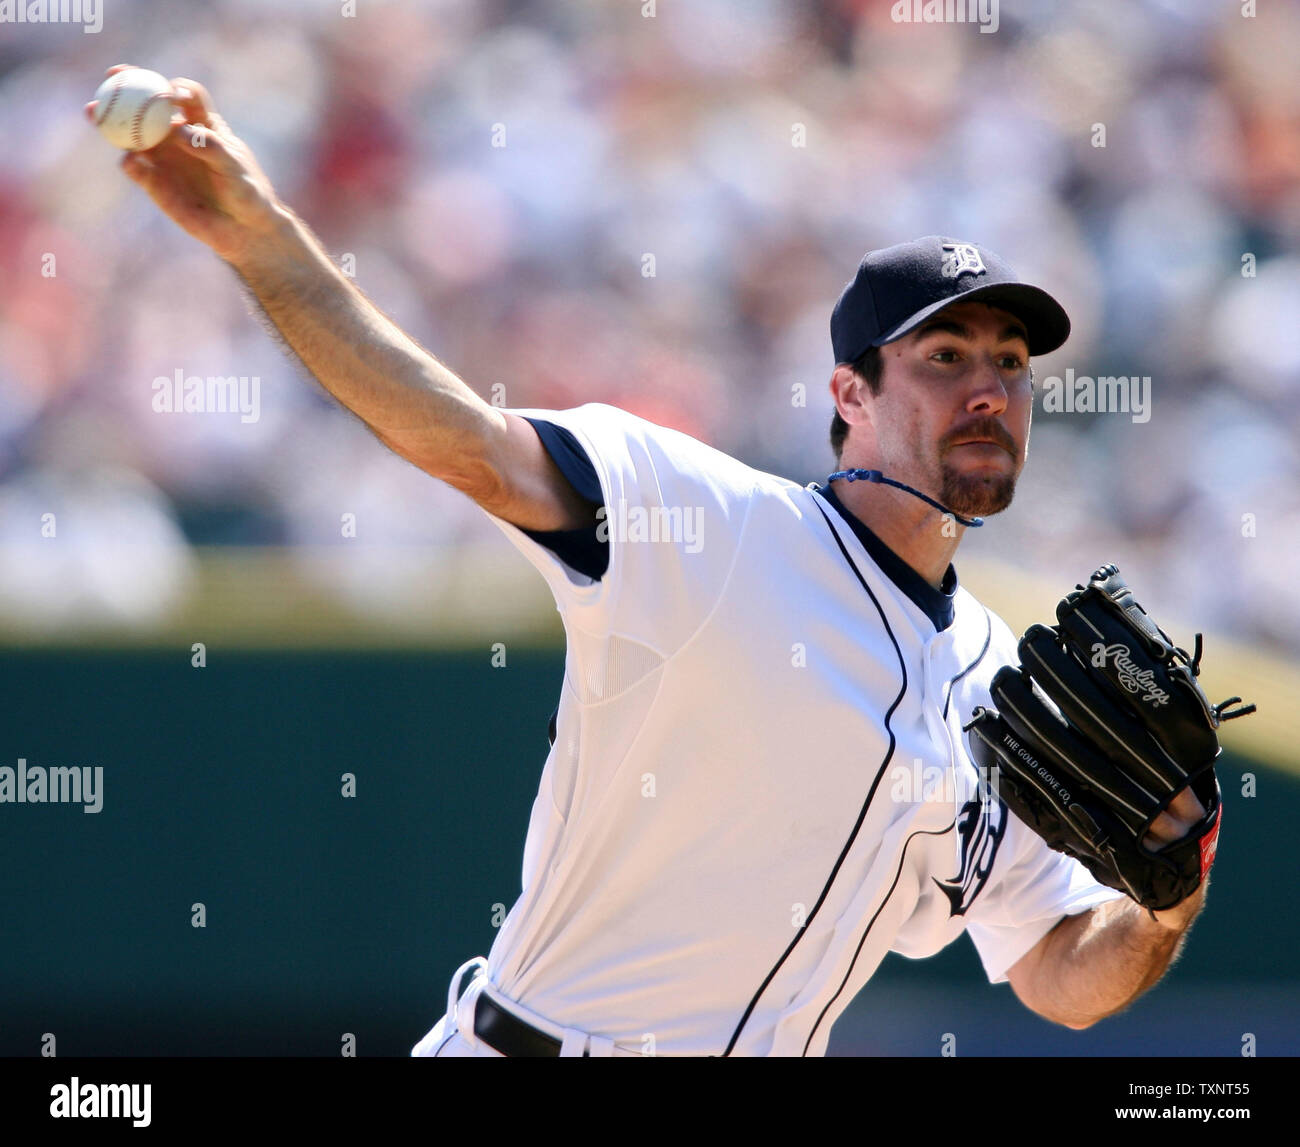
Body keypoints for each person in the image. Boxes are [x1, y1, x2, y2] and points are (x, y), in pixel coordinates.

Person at [90, 69, 1213, 1058]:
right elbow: (465, 444)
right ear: (850, 395)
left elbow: (1064, 977)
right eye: (945, 353)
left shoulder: (1001, 684)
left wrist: (1170, 895)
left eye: (1011, 361)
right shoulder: (714, 525)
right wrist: (264, 242)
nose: (988, 387)